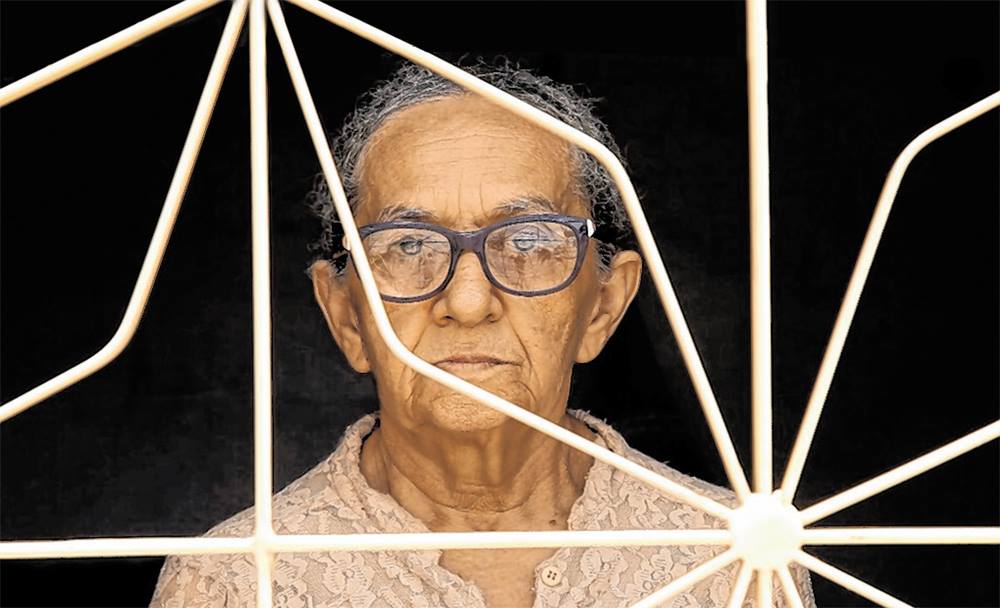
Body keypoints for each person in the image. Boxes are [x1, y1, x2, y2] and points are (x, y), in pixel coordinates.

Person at [149, 61, 815, 607]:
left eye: (529, 241)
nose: (468, 302)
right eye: (409, 245)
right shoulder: (236, 584)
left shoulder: (741, 561)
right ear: (347, 317)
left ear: (603, 307)